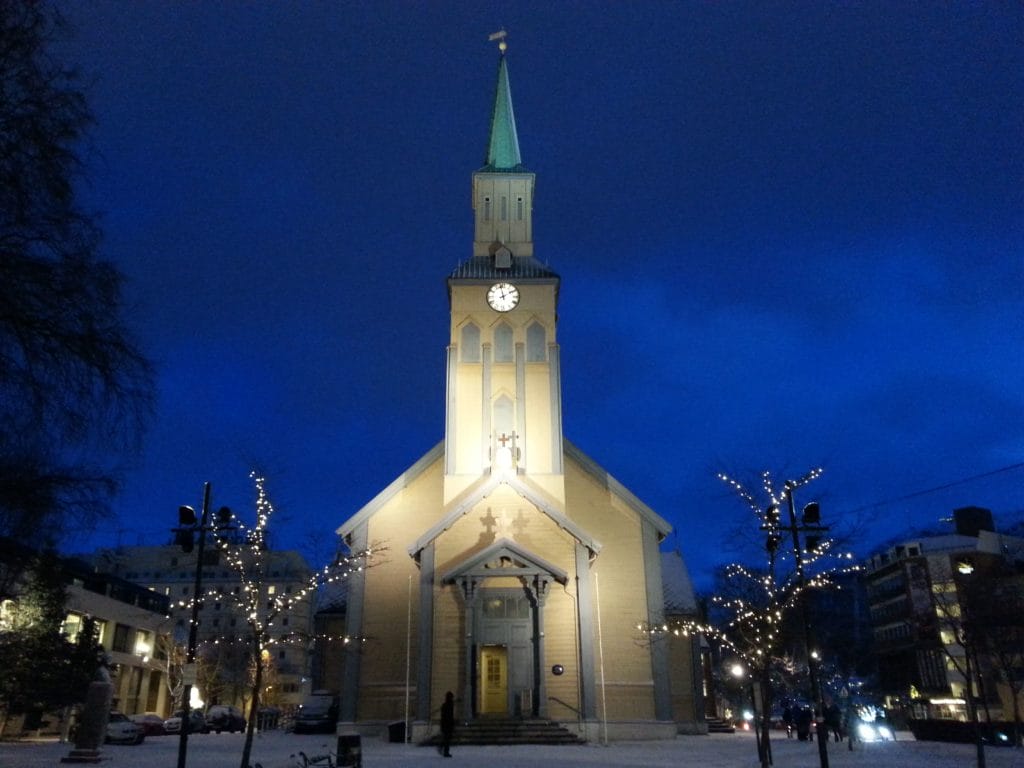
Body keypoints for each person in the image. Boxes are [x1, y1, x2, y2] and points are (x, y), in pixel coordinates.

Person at [440, 691, 455, 758]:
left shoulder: (446, 705)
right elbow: (448, 716)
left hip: (446, 724)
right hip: (447, 724)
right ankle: (445, 752)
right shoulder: (448, 705)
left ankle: (443, 748)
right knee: (447, 739)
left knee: (446, 738)